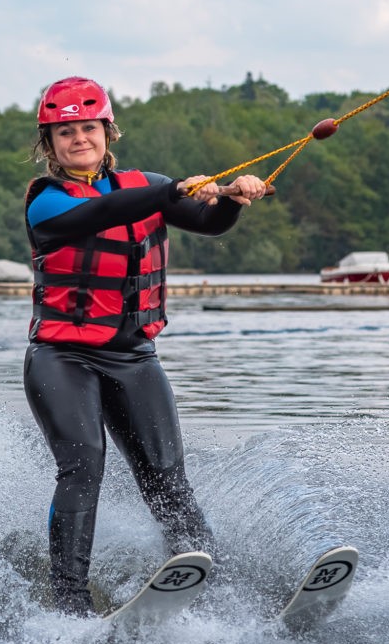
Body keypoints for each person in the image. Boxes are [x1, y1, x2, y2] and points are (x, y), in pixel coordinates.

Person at [23, 76, 266, 616]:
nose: (78, 139)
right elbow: (104, 214)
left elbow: (209, 223)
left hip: (133, 356)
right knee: (83, 467)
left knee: (166, 476)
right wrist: (173, 188)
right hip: (62, 356)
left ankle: (214, 592)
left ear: (108, 132)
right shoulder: (45, 203)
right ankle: (69, 603)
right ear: (49, 144)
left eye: (88, 127)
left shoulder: (148, 184)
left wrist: (230, 198)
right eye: (64, 132)